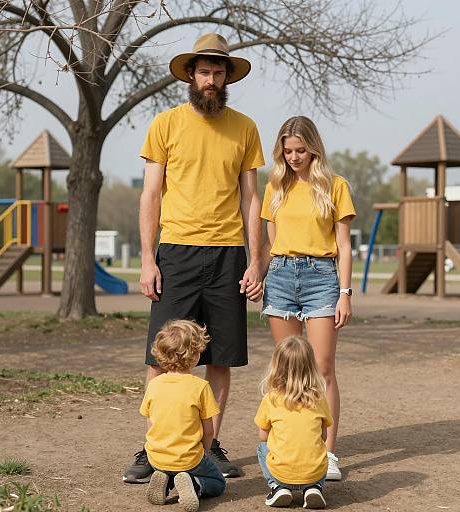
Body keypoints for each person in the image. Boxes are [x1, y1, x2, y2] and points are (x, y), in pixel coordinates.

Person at [123, 32, 265, 484]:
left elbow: (252, 200)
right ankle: (155, 445)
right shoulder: (165, 124)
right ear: (190, 75)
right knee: (160, 357)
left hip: (227, 254)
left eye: (218, 71)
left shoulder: (244, 127)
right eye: (203, 71)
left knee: (220, 355)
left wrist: (256, 260)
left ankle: (207, 448)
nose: (211, 78)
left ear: (227, 77)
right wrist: (148, 259)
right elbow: (150, 194)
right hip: (176, 253)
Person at [260, 116, 356, 481]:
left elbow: (344, 247)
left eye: (301, 150)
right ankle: (287, 449)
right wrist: (259, 275)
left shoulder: (335, 186)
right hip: (282, 276)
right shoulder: (275, 186)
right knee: (287, 370)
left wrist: (345, 294)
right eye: (288, 151)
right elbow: (272, 244)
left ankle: (327, 453)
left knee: (323, 368)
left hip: (322, 278)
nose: (295, 157)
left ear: (314, 148)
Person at [141, 320, 226, 512]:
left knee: (171, 467)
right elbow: (208, 429)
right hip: (189, 459)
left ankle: (165, 477)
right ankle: (195, 485)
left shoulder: (154, 385)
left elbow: (150, 423)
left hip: (156, 456)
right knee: (218, 482)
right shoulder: (200, 387)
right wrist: (204, 452)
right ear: (195, 355)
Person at [254, 336, 333, 509]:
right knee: (320, 448)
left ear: (276, 366)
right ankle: (314, 487)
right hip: (314, 472)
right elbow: (324, 435)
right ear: (311, 367)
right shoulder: (319, 399)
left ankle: (278, 487)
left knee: (262, 448)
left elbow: (262, 436)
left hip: (281, 472)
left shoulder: (271, 399)